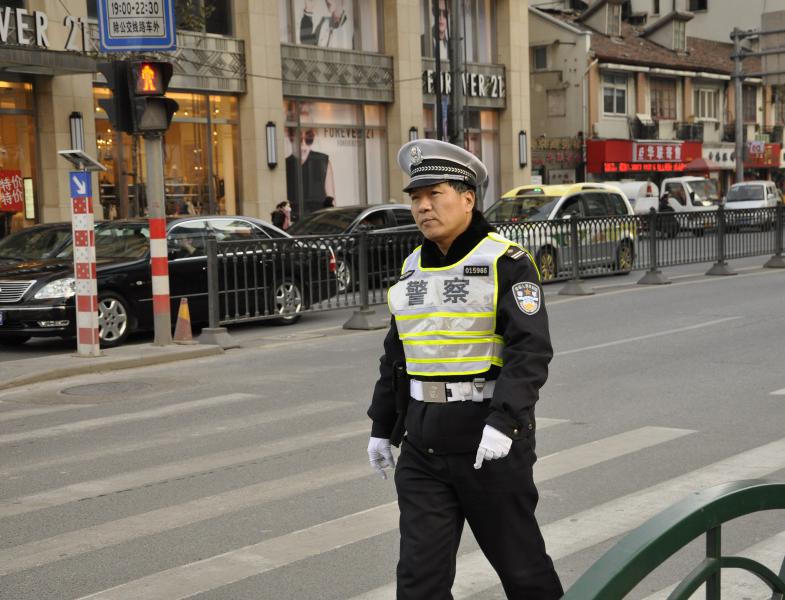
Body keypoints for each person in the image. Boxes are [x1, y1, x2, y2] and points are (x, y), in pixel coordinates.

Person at [366, 139, 563, 599]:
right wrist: (382, 425)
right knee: (419, 581)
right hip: (423, 447)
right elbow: (398, 354)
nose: (423, 206)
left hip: (487, 443)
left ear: (468, 198)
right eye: (415, 197)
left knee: (524, 572)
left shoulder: (506, 262)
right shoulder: (412, 267)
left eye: (435, 194)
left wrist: (505, 421)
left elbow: (530, 350)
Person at [285, 127, 336, 218]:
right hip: (295, 221)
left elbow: (331, 200)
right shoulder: (285, 166)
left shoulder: (322, 161)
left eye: (309, 139)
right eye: (299, 140)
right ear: (291, 139)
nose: (303, 146)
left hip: (318, 221)